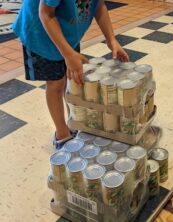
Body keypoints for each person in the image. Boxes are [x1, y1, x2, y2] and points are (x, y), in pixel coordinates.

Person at [12, 0, 129, 149]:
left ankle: (74, 121)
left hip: (66, 30)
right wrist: (68, 54)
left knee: (72, 79)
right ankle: (61, 134)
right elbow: (46, 14)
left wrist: (111, 40)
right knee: (55, 84)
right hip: (40, 33)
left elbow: (99, 5)